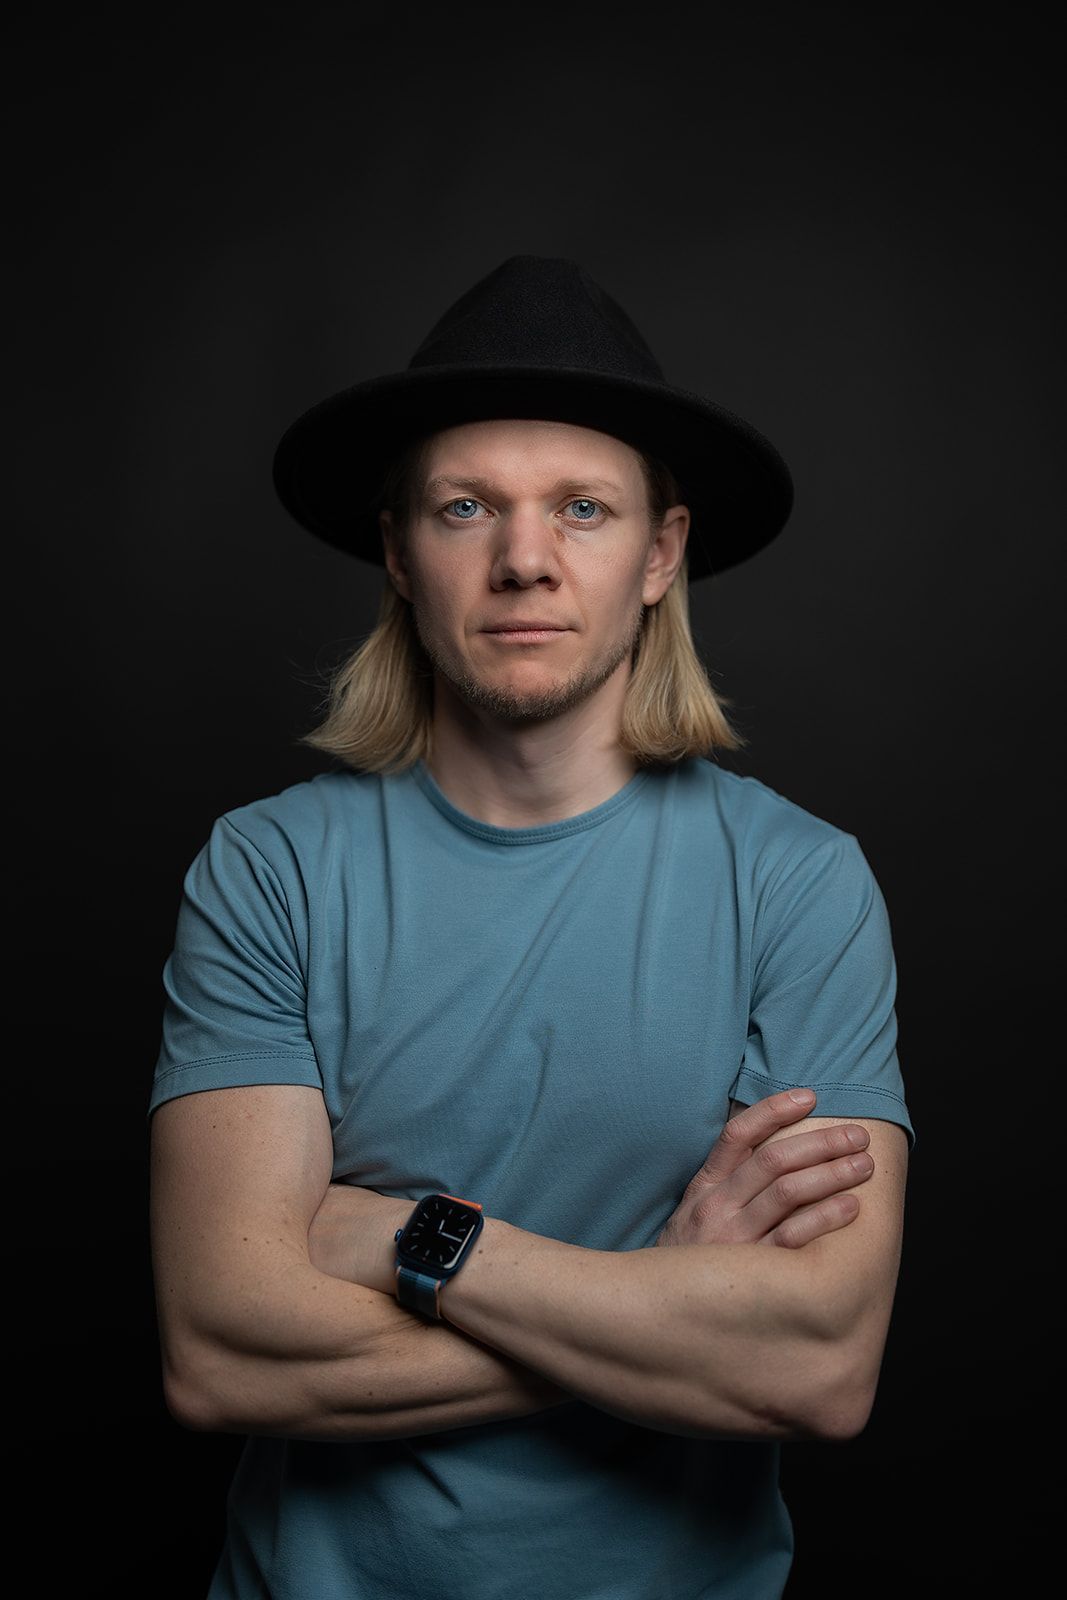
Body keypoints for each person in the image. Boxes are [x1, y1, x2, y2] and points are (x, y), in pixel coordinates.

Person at [149, 255, 913, 1600]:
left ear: (661, 553)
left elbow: (818, 1368)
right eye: (465, 507)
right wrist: (660, 1308)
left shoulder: (800, 882)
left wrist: (419, 1241)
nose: (523, 560)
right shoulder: (269, 870)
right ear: (397, 549)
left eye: (581, 508)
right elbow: (221, 1353)